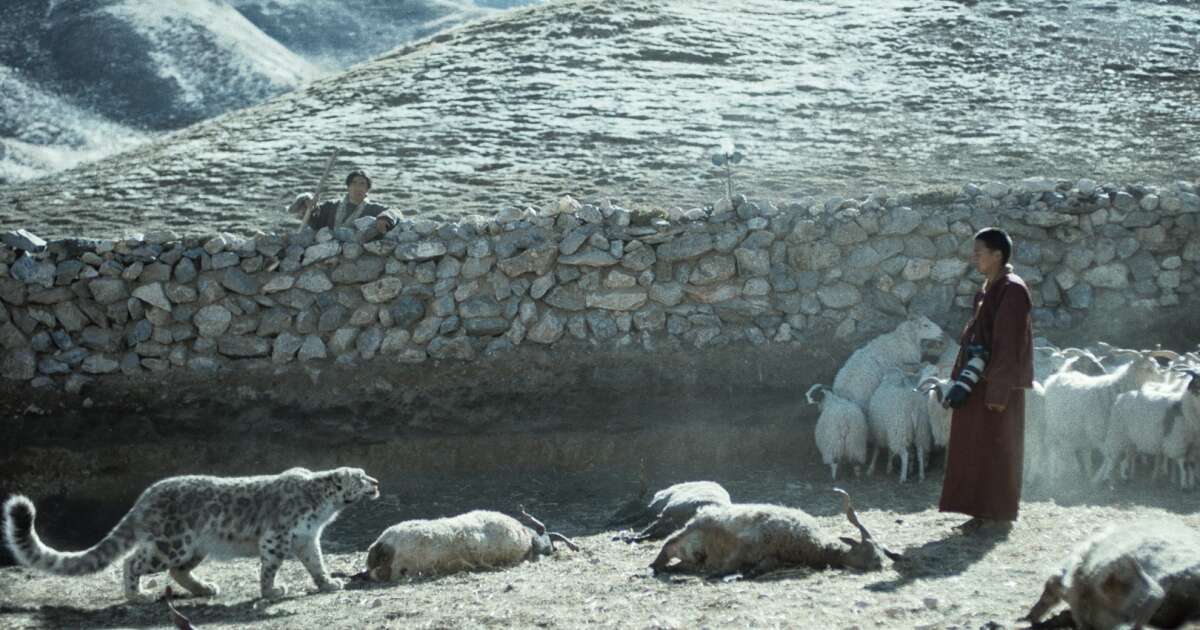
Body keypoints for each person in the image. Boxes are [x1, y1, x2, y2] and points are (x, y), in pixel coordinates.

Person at [938, 227, 1034, 535]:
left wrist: (998, 390)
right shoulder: (987, 289)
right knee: (974, 447)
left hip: (996, 386)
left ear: (997, 255)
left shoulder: (1012, 290)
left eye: (979, 252)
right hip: (977, 381)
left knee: (997, 447)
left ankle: (997, 511)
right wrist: (961, 379)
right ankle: (979, 509)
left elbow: (1008, 343)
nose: (974, 257)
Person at [288, 169, 400, 233]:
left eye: (362, 184)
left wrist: (385, 219)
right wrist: (308, 202)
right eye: (354, 183)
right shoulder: (331, 206)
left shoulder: (373, 209)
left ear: (367, 189)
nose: (358, 187)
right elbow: (297, 210)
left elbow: (395, 212)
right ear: (348, 186)